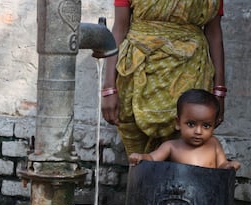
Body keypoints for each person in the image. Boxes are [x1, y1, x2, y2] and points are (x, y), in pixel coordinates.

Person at [101, 0, 228, 156]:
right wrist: (108, 88)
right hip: (137, 74)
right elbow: (120, 28)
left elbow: (214, 34)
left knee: (183, 158)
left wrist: (219, 92)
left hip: (190, 73)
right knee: (138, 162)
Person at [128, 89, 240, 170]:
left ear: (214, 125)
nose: (198, 131)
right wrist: (141, 157)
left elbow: (222, 165)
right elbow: (152, 158)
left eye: (206, 126)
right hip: (178, 194)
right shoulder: (171, 147)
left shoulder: (213, 144)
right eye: (191, 124)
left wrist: (228, 166)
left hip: (206, 195)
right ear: (178, 123)